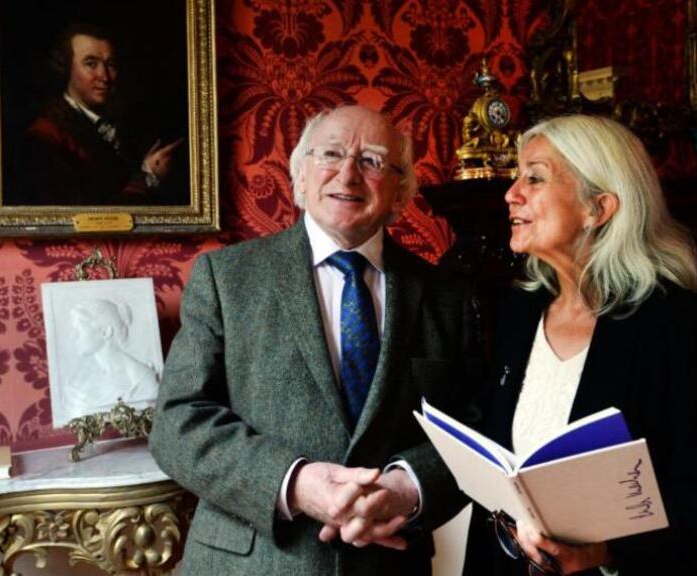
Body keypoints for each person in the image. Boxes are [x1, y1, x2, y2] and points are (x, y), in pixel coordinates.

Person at [149, 105, 481, 575]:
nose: (347, 174)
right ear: (300, 178)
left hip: (388, 565)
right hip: (252, 563)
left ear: (400, 193)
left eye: (372, 161)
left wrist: (407, 487)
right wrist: (297, 483)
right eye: (330, 154)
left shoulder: (448, 296)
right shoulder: (227, 278)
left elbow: (469, 427)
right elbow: (178, 422)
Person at [462, 115, 697, 575]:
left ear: (599, 208)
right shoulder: (515, 310)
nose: (511, 193)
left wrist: (607, 553)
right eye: (518, 176)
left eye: (535, 177)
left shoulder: (679, 323)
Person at [15, 22, 183, 206]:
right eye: (91, 64)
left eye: (110, 64)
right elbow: (80, 221)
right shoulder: (47, 135)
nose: (104, 76)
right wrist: (148, 177)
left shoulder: (117, 125)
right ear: (66, 69)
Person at [62, 299, 159, 422]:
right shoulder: (85, 378)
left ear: (106, 332)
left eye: (80, 328)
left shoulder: (140, 379)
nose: (72, 336)